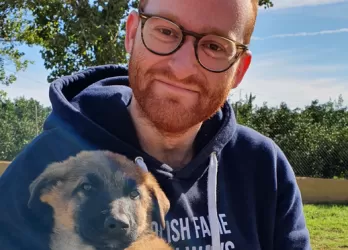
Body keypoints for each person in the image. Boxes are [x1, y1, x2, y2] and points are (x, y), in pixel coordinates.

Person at [0, 0, 312, 249]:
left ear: (239, 70)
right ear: (132, 33)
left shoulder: (263, 167)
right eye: (166, 31)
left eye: (215, 46)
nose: (182, 67)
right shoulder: (43, 165)